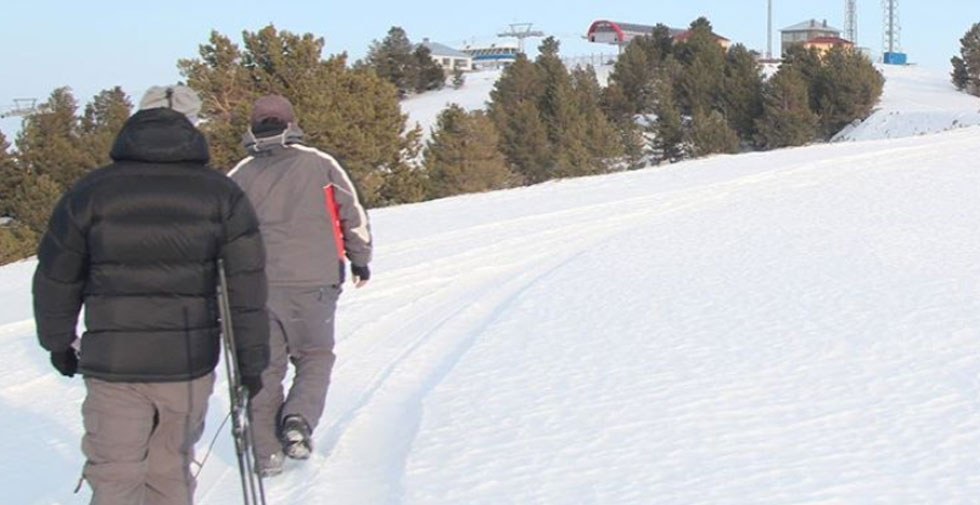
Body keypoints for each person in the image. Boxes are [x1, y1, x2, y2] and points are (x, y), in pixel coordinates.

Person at [32, 85, 270, 505]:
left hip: (113, 364)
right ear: (192, 126)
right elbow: (245, 288)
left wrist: (58, 343)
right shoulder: (221, 194)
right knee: (170, 469)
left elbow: (56, 275)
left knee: (115, 473)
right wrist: (252, 363)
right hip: (187, 363)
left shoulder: (90, 192)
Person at [228, 94, 373, 477]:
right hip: (315, 280)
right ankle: (298, 420)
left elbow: (220, 230)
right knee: (315, 356)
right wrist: (360, 260)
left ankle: (266, 453)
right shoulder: (320, 163)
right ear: (291, 122)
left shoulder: (239, 173)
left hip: (256, 288)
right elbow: (351, 213)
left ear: (253, 125)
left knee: (265, 367)